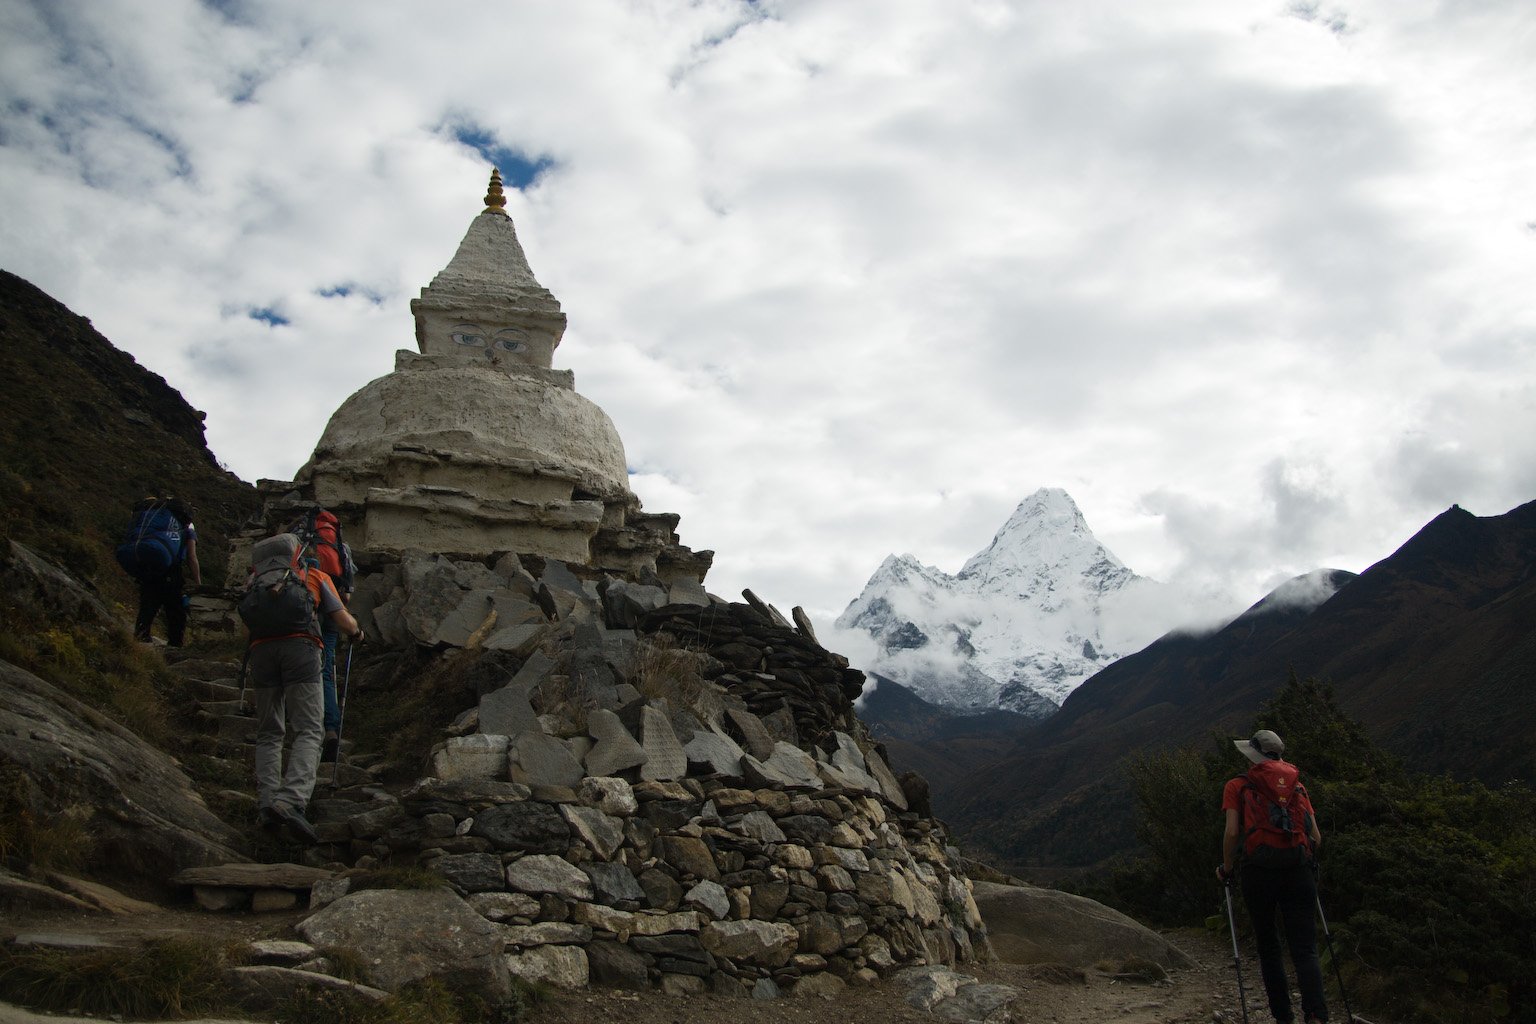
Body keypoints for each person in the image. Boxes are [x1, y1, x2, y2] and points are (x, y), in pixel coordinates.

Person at [240, 533, 363, 843]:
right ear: (296, 554)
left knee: (269, 732)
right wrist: (357, 632)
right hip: (302, 651)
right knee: (309, 729)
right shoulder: (311, 574)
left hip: (261, 654)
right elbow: (341, 619)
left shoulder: (255, 581)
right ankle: (292, 800)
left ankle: (267, 803)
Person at [1219, 729, 1329, 1024]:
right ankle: (1316, 1015)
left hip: (1259, 873)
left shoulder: (1238, 785)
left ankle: (1284, 1018)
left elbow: (1232, 833)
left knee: (1269, 948)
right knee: (1305, 948)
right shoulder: (1299, 788)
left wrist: (1227, 867)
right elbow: (1315, 837)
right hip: (1298, 870)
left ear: (1253, 755)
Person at [123, 496, 202, 647]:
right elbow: (192, 557)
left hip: (148, 566)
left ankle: (140, 639)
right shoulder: (187, 526)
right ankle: (175, 647)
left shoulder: (154, 518)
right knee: (176, 610)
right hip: (171, 570)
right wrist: (198, 583)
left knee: (148, 604)